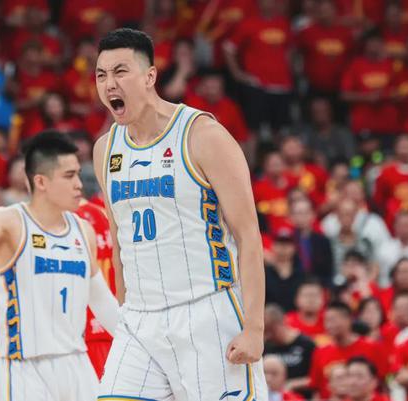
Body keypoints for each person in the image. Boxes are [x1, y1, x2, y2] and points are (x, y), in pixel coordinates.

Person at [92, 28, 267, 400]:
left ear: (150, 76)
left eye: (120, 72)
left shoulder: (203, 135)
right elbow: (120, 242)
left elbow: (248, 235)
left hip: (206, 313)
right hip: (140, 320)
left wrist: (254, 328)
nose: (109, 84)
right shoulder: (105, 149)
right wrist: (125, 313)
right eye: (101, 75)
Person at [0, 131, 120, 401]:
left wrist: (146, 345)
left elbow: (102, 302)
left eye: (77, 174)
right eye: (69, 176)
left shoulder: (83, 230)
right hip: (24, 368)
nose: (79, 185)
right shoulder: (8, 222)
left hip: (77, 363)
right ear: (41, 181)